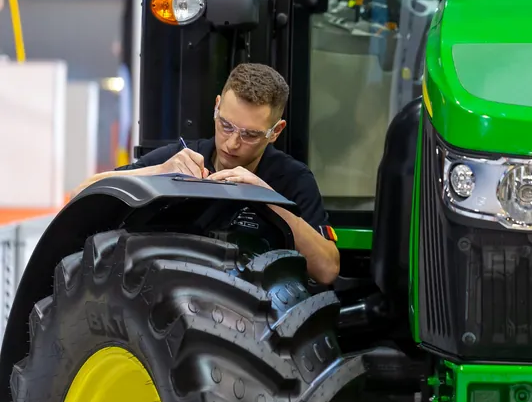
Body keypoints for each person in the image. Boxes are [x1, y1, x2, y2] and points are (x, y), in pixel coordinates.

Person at [73, 63, 340, 284]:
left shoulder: (293, 179)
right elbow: (82, 192)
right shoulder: (181, 155)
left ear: (276, 132)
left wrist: (268, 198)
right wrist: (160, 171)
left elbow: (327, 270)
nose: (232, 143)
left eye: (250, 135)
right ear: (216, 106)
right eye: (226, 125)